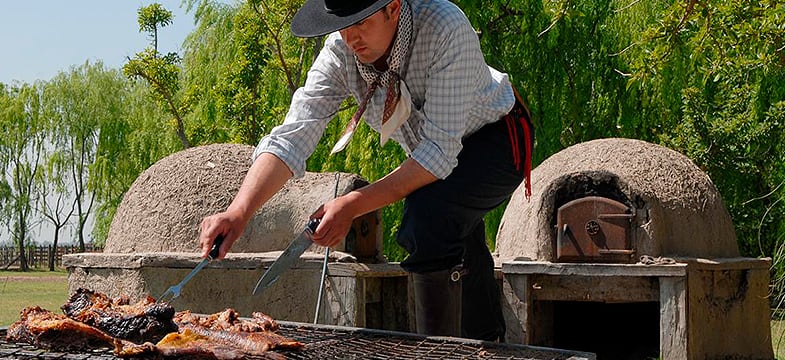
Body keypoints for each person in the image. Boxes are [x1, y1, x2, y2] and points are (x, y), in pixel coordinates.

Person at [199, 0, 533, 341]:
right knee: (450, 228)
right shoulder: (340, 52)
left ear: (393, 7)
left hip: (498, 139)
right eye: (343, 25)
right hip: (434, 154)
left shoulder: (444, 25)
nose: (351, 37)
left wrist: (352, 205)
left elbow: (437, 154)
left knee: (427, 216)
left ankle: (439, 351)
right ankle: (487, 340)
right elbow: (293, 136)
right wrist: (239, 212)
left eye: (360, 22)